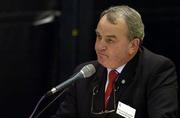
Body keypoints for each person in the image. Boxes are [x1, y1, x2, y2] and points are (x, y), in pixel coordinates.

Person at [52, 5, 178, 118]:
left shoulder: (157, 70)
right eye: (99, 36)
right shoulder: (84, 74)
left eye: (110, 40)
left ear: (133, 45)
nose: (100, 46)